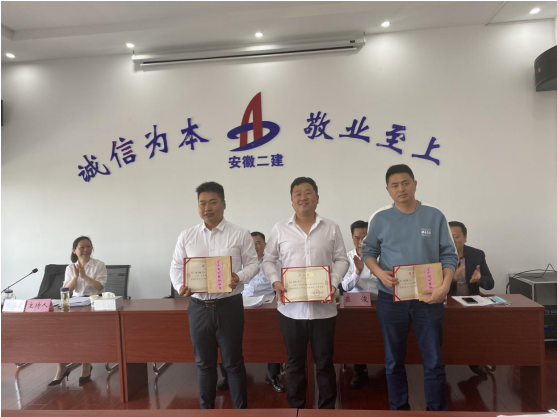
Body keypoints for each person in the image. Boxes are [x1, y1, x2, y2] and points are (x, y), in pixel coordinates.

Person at [362, 164, 458, 411]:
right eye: (394, 185)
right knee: (393, 361)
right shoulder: (379, 218)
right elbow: (368, 252)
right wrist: (379, 272)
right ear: (388, 190)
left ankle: (436, 411)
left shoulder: (434, 215)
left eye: (405, 183)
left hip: (430, 298)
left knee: (434, 360)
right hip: (391, 299)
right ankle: (399, 409)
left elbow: (449, 255)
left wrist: (445, 286)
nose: (401, 188)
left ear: (415, 184)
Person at [170, 181, 258, 409]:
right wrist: (180, 285)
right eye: (202, 203)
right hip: (199, 308)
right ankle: (206, 411)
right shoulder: (187, 236)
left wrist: (238, 276)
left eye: (212, 202)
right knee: (204, 364)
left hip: (229, 306)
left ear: (224, 204)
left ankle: (240, 412)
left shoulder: (240, 234)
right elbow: (176, 267)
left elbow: (253, 265)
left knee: (233, 363)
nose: (207, 208)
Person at [263, 177, 349, 409]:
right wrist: (275, 281)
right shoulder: (280, 229)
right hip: (291, 310)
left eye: (308, 192)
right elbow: (268, 260)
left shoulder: (331, 227)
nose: (303, 197)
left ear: (317, 198)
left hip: (324, 310)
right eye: (298, 193)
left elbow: (342, 259)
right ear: (292, 200)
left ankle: (327, 409)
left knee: (324, 362)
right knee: (294, 363)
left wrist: (333, 283)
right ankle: (297, 409)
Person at [217, 231, 285, 393]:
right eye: (251, 244)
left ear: (265, 245)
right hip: (241, 302)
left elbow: (282, 284)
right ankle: (228, 376)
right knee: (223, 337)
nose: (255, 247)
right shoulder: (238, 263)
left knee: (273, 337)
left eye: (258, 243)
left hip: (267, 303)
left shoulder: (274, 264)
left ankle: (272, 375)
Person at [49, 236, 107, 386]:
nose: (86, 250)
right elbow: (67, 291)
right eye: (82, 247)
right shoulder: (70, 268)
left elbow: (99, 286)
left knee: (85, 332)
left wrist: (84, 276)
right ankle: (61, 367)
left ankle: (86, 365)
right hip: (74, 303)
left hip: (94, 303)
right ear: (74, 251)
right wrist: (76, 276)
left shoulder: (99, 265)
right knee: (58, 330)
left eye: (88, 246)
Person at [449, 220, 495, 376]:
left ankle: (475, 360)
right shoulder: (436, 255)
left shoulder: (477, 254)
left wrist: (480, 279)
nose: (452, 241)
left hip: (471, 303)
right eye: (449, 237)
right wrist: (452, 279)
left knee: (479, 328)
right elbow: (431, 285)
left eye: (456, 236)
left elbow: (490, 283)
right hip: (447, 304)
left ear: (465, 237)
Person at [338, 220, 378, 389]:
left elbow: (388, 281)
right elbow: (345, 286)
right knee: (357, 336)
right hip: (356, 304)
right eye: (357, 238)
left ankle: (385, 366)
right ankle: (360, 370)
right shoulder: (347, 258)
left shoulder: (381, 255)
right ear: (352, 238)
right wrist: (357, 271)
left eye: (365, 237)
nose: (361, 241)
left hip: (378, 303)